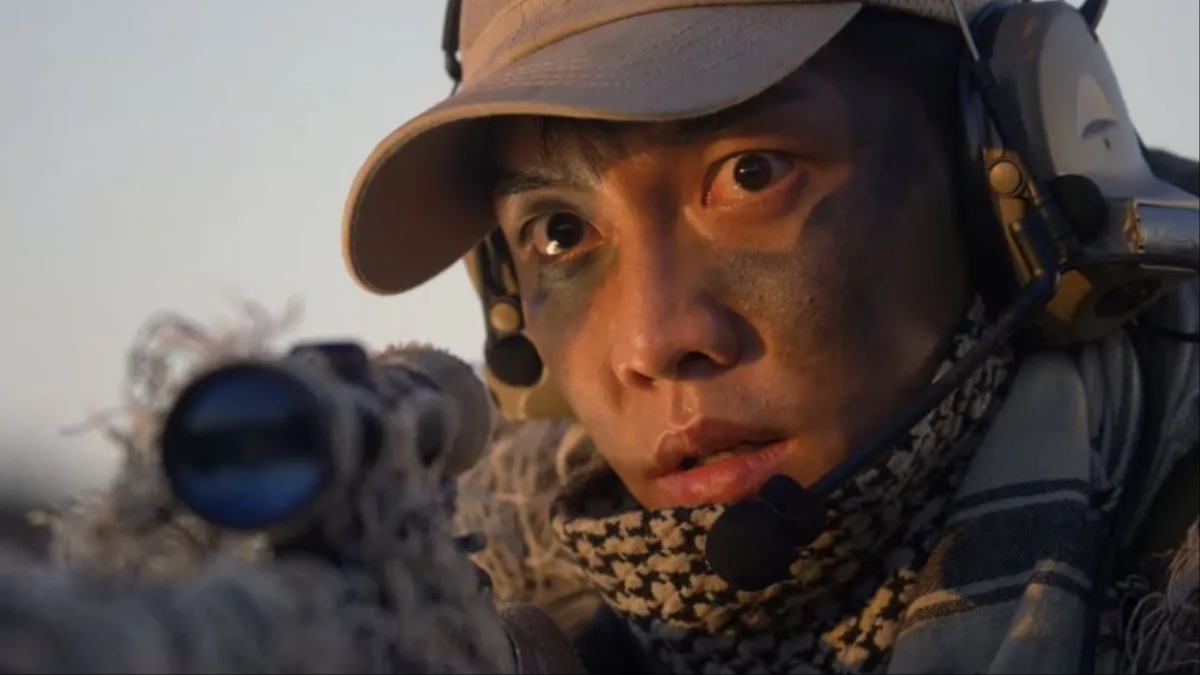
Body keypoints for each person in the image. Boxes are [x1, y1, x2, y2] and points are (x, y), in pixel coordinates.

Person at [336, 1, 1200, 674]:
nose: (655, 341)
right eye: (559, 233)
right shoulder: (457, 622)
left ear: (1007, 185)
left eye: (752, 174)